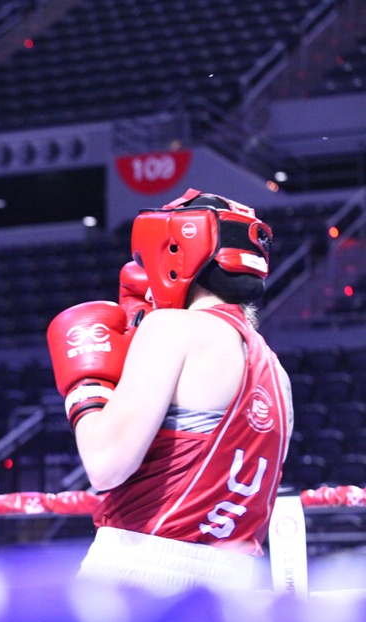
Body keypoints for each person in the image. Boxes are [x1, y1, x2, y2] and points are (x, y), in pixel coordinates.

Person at [46, 188, 294, 595]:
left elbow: (106, 465)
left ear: (175, 250)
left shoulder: (172, 330)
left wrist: (86, 386)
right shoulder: (274, 370)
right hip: (236, 586)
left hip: (141, 572)